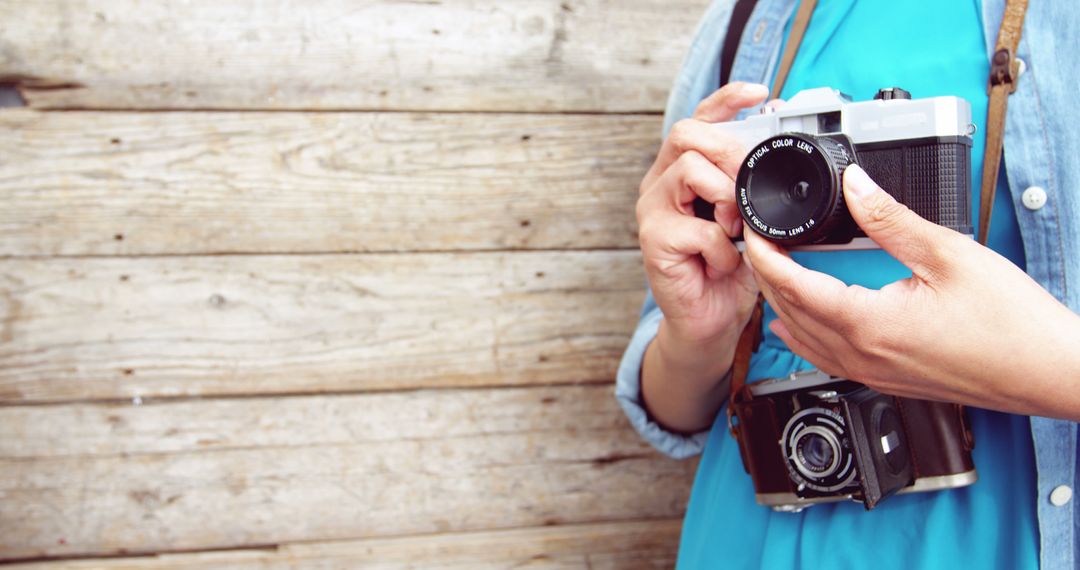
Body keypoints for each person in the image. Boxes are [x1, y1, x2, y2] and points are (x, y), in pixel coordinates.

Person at [616, 1, 1080, 568]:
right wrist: (700, 336)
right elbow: (678, 409)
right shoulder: (755, 17)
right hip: (753, 534)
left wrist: (1035, 369)